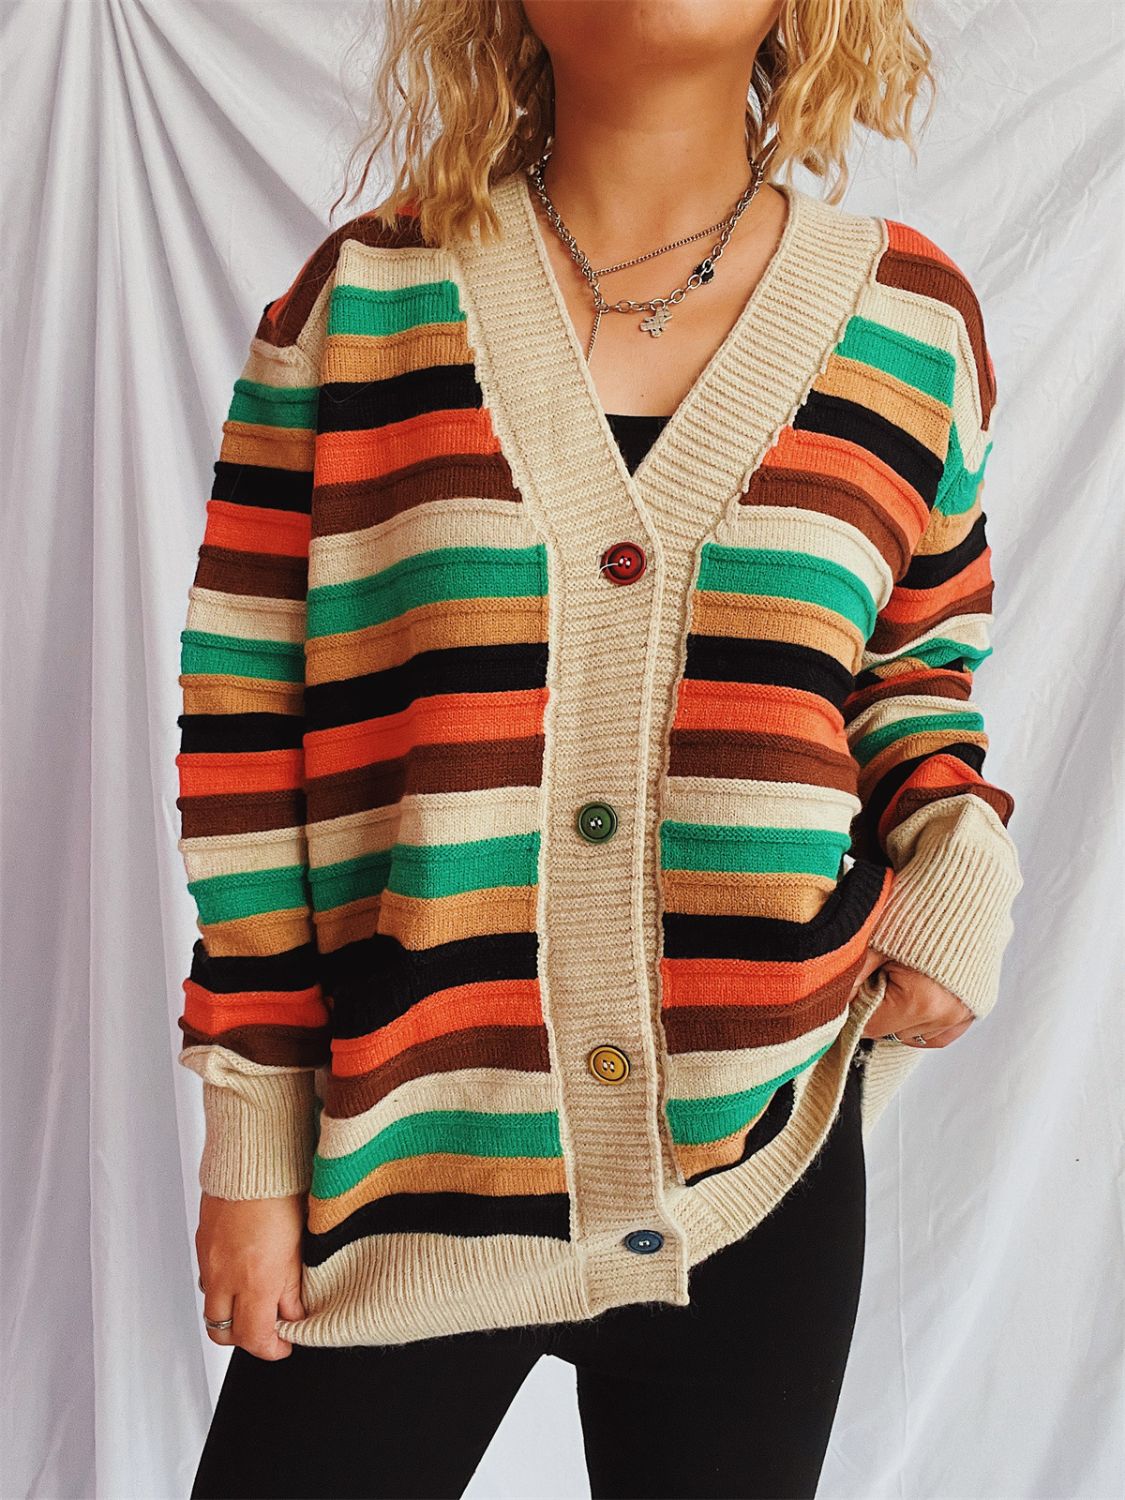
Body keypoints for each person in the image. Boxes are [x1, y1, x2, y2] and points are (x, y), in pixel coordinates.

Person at [175, 2, 1024, 1495]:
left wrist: (956, 867)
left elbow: (911, 669)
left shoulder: (908, 321)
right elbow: (250, 736)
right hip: (406, 1157)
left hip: (758, 1170)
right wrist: (253, 1128)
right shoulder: (360, 307)